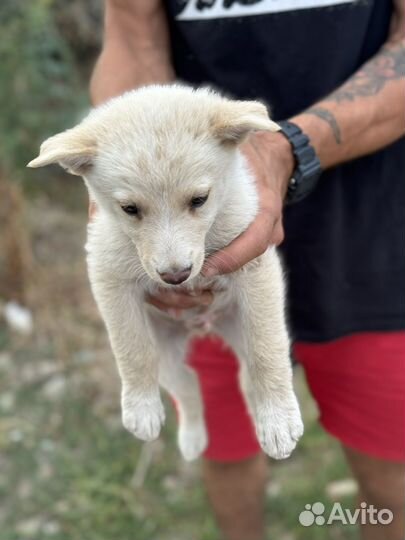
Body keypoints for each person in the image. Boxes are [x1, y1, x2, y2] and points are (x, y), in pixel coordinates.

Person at [90, 1, 405, 539]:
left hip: (369, 224)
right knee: (226, 449)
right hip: (201, 233)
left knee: (388, 468)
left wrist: (290, 147)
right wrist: (124, 173)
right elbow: (131, 35)